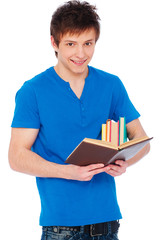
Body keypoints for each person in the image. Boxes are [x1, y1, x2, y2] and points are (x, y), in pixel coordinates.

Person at [8, 1, 150, 239]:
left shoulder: (111, 85)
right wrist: (68, 172)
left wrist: (125, 162)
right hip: (60, 229)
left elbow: (142, 141)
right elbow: (16, 157)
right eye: (71, 44)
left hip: (107, 224)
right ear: (54, 42)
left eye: (88, 43)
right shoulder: (32, 91)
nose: (81, 54)